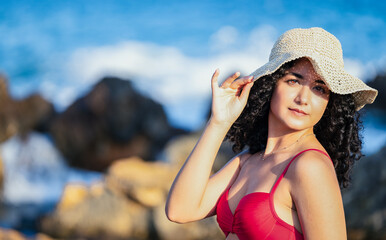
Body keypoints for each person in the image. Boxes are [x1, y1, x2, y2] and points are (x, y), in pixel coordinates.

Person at [165, 27, 378, 239]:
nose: (303, 98)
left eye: (319, 88)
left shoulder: (310, 166)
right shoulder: (247, 160)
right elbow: (180, 210)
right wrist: (219, 122)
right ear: (270, 85)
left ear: (330, 102)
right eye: (293, 81)